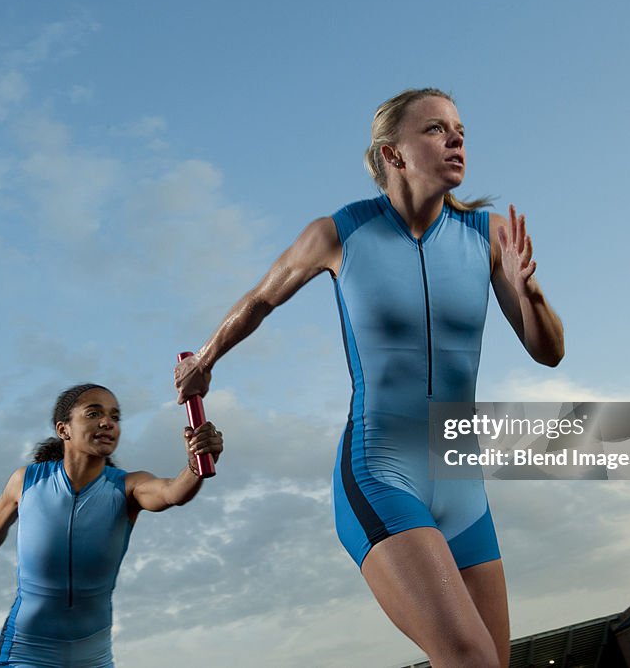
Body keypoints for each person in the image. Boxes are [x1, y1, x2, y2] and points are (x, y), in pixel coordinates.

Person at [175, 88, 563, 668]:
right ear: (392, 154)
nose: (456, 138)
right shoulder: (339, 232)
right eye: (435, 129)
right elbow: (261, 298)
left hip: (462, 482)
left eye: (459, 128)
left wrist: (528, 289)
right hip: (381, 470)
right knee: (470, 658)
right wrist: (203, 361)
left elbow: (547, 352)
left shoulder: (490, 237)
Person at [0, 383, 224, 667]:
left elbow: (172, 492)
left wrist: (195, 465)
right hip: (27, 650)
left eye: (115, 417)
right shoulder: (26, 481)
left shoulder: (128, 487)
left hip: (93, 657)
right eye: (93, 414)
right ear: (63, 429)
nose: (107, 422)